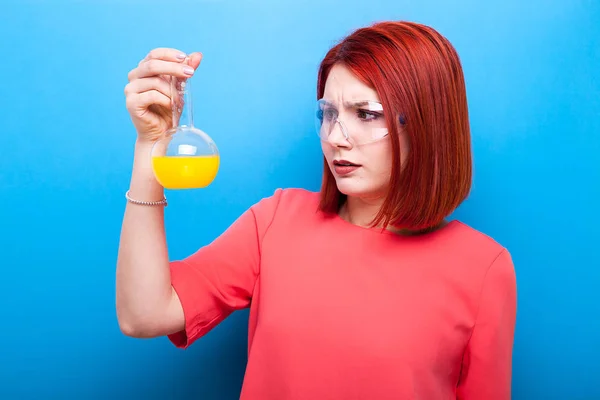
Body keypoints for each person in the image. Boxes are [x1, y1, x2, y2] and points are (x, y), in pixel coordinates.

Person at [116, 20, 517, 400]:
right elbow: (144, 313)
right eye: (328, 114)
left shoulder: (483, 269)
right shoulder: (277, 220)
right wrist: (150, 144)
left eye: (366, 114)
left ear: (428, 125)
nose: (335, 137)